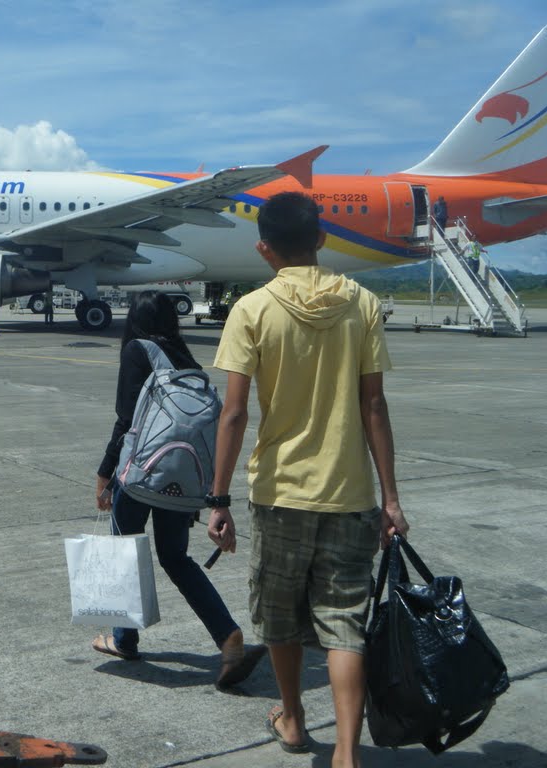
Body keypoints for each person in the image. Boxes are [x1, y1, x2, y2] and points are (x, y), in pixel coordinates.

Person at [209, 192, 408, 767]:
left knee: (280, 616)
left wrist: (218, 498)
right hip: (350, 494)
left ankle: (293, 719)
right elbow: (375, 406)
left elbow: (234, 414)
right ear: (321, 239)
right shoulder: (363, 304)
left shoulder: (252, 310)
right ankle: (347, 753)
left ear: (263, 249)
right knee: (344, 622)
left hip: (280, 492)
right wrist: (390, 497)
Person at [93, 291, 266, 688]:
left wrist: (105, 473)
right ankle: (227, 635)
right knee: (175, 558)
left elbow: (126, 420)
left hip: (140, 477)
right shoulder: (186, 359)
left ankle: (124, 639)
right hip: (184, 479)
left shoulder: (139, 350)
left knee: (125, 552)